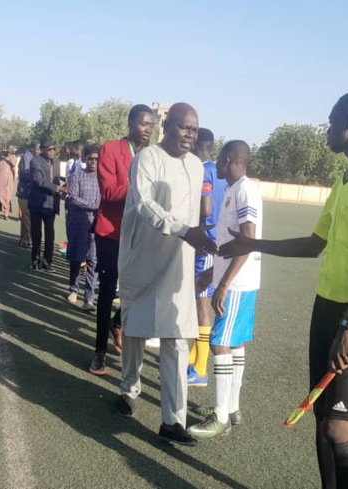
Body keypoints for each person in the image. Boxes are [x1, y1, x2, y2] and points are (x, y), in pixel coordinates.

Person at [218, 91, 348, 489]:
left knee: (341, 429)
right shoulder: (345, 179)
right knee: (321, 422)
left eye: (331, 118)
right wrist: (253, 244)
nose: (326, 128)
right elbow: (314, 244)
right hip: (327, 309)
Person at [114, 103, 215, 447]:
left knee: (177, 339)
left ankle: (173, 420)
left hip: (179, 264)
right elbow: (143, 205)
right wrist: (183, 229)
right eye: (184, 127)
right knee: (135, 331)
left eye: (194, 129)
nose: (190, 134)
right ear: (167, 127)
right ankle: (129, 389)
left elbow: (194, 213)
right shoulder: (147, 160)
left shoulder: (197, 166)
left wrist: (197, 240)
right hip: (141, 258)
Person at [188, 140, 263, 439]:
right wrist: (210, 272)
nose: (217, 164)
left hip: (238, 283)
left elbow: (247, 241)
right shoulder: (235, 190)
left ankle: (220, 417)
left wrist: (224, 283)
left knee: (219, 344)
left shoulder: (244, 190)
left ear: (230, 160)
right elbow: (230, 244)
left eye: (220, 159)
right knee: (235, 344)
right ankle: (232, 408)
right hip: (238, 279)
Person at [89, 104, 156, 374]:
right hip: (112, 232)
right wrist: (140, 185)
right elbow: (108, 193)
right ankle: (99, 352)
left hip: (140, 235)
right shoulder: (111, 149)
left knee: (140, 290)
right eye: (143, 124)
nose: (148, 129)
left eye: (152, 125)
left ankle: (117, 323)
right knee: (106, 292)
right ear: (130, 124)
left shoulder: (154, 155)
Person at [187, 128, 228, 387]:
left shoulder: (203, 170)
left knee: (202, 303)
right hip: (217, 243)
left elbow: (206, 208)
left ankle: (200, 369)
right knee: (196, 300)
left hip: (207, 245)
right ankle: (193, 359)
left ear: (195, 144)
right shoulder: (221, 172)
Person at [65, 146, 100, 314]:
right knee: (76, 258)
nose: (93, 161)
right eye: (90, 158)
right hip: (79, 222)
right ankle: (73, 289)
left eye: (96, 158)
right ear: (85, 159)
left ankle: (89, 298)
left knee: (93, 261)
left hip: (97, 225)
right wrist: (94, 206)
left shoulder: (104, 177)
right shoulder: (77, 175)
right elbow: (72, 198)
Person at [28, 139, 66, 270]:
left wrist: (64, 181)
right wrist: (59, 188)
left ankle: (47, 261)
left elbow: (54, 178)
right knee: (36, 233)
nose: (52, 152)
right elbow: (39, 181)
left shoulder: (56, 161)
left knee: (50, 233)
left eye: (54, 149)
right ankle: (35, 260)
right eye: (50, 149)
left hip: (51, 204)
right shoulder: (35, 161)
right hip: (37, 203)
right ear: (42, 149)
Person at [15, 141, 39, 248]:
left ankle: (24, 239)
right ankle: (27, 239)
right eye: (38, 149)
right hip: (25, 192)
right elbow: (25, 174)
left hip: (29, 192)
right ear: (33, 148)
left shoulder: (32, 157)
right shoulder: (27, 157)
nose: (39, 151)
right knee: (27, 217)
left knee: (27, 217)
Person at [0, 151, 16, 219]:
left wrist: (8, 156)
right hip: (1, 178)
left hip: (8, 179)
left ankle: (6, 214)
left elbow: (13, 164)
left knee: (7, 195)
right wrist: (1, 156)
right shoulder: (0, 156)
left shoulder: (13, 156)